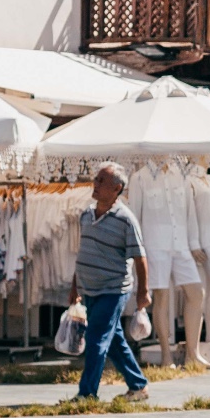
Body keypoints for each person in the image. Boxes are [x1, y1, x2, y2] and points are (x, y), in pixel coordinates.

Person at [70, 162, 150, 402]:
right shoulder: (86, 214)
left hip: (113, 290)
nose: (95, 184)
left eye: (101, 181)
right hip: (90, 290)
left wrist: (143, 292)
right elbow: (83, 253)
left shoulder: (126, 220)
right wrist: (74, 288)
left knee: (95, 340)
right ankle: (138, 386)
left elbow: (140, 257)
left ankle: (87, 394)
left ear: (117, 188)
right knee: (113, 340)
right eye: (96, 179)